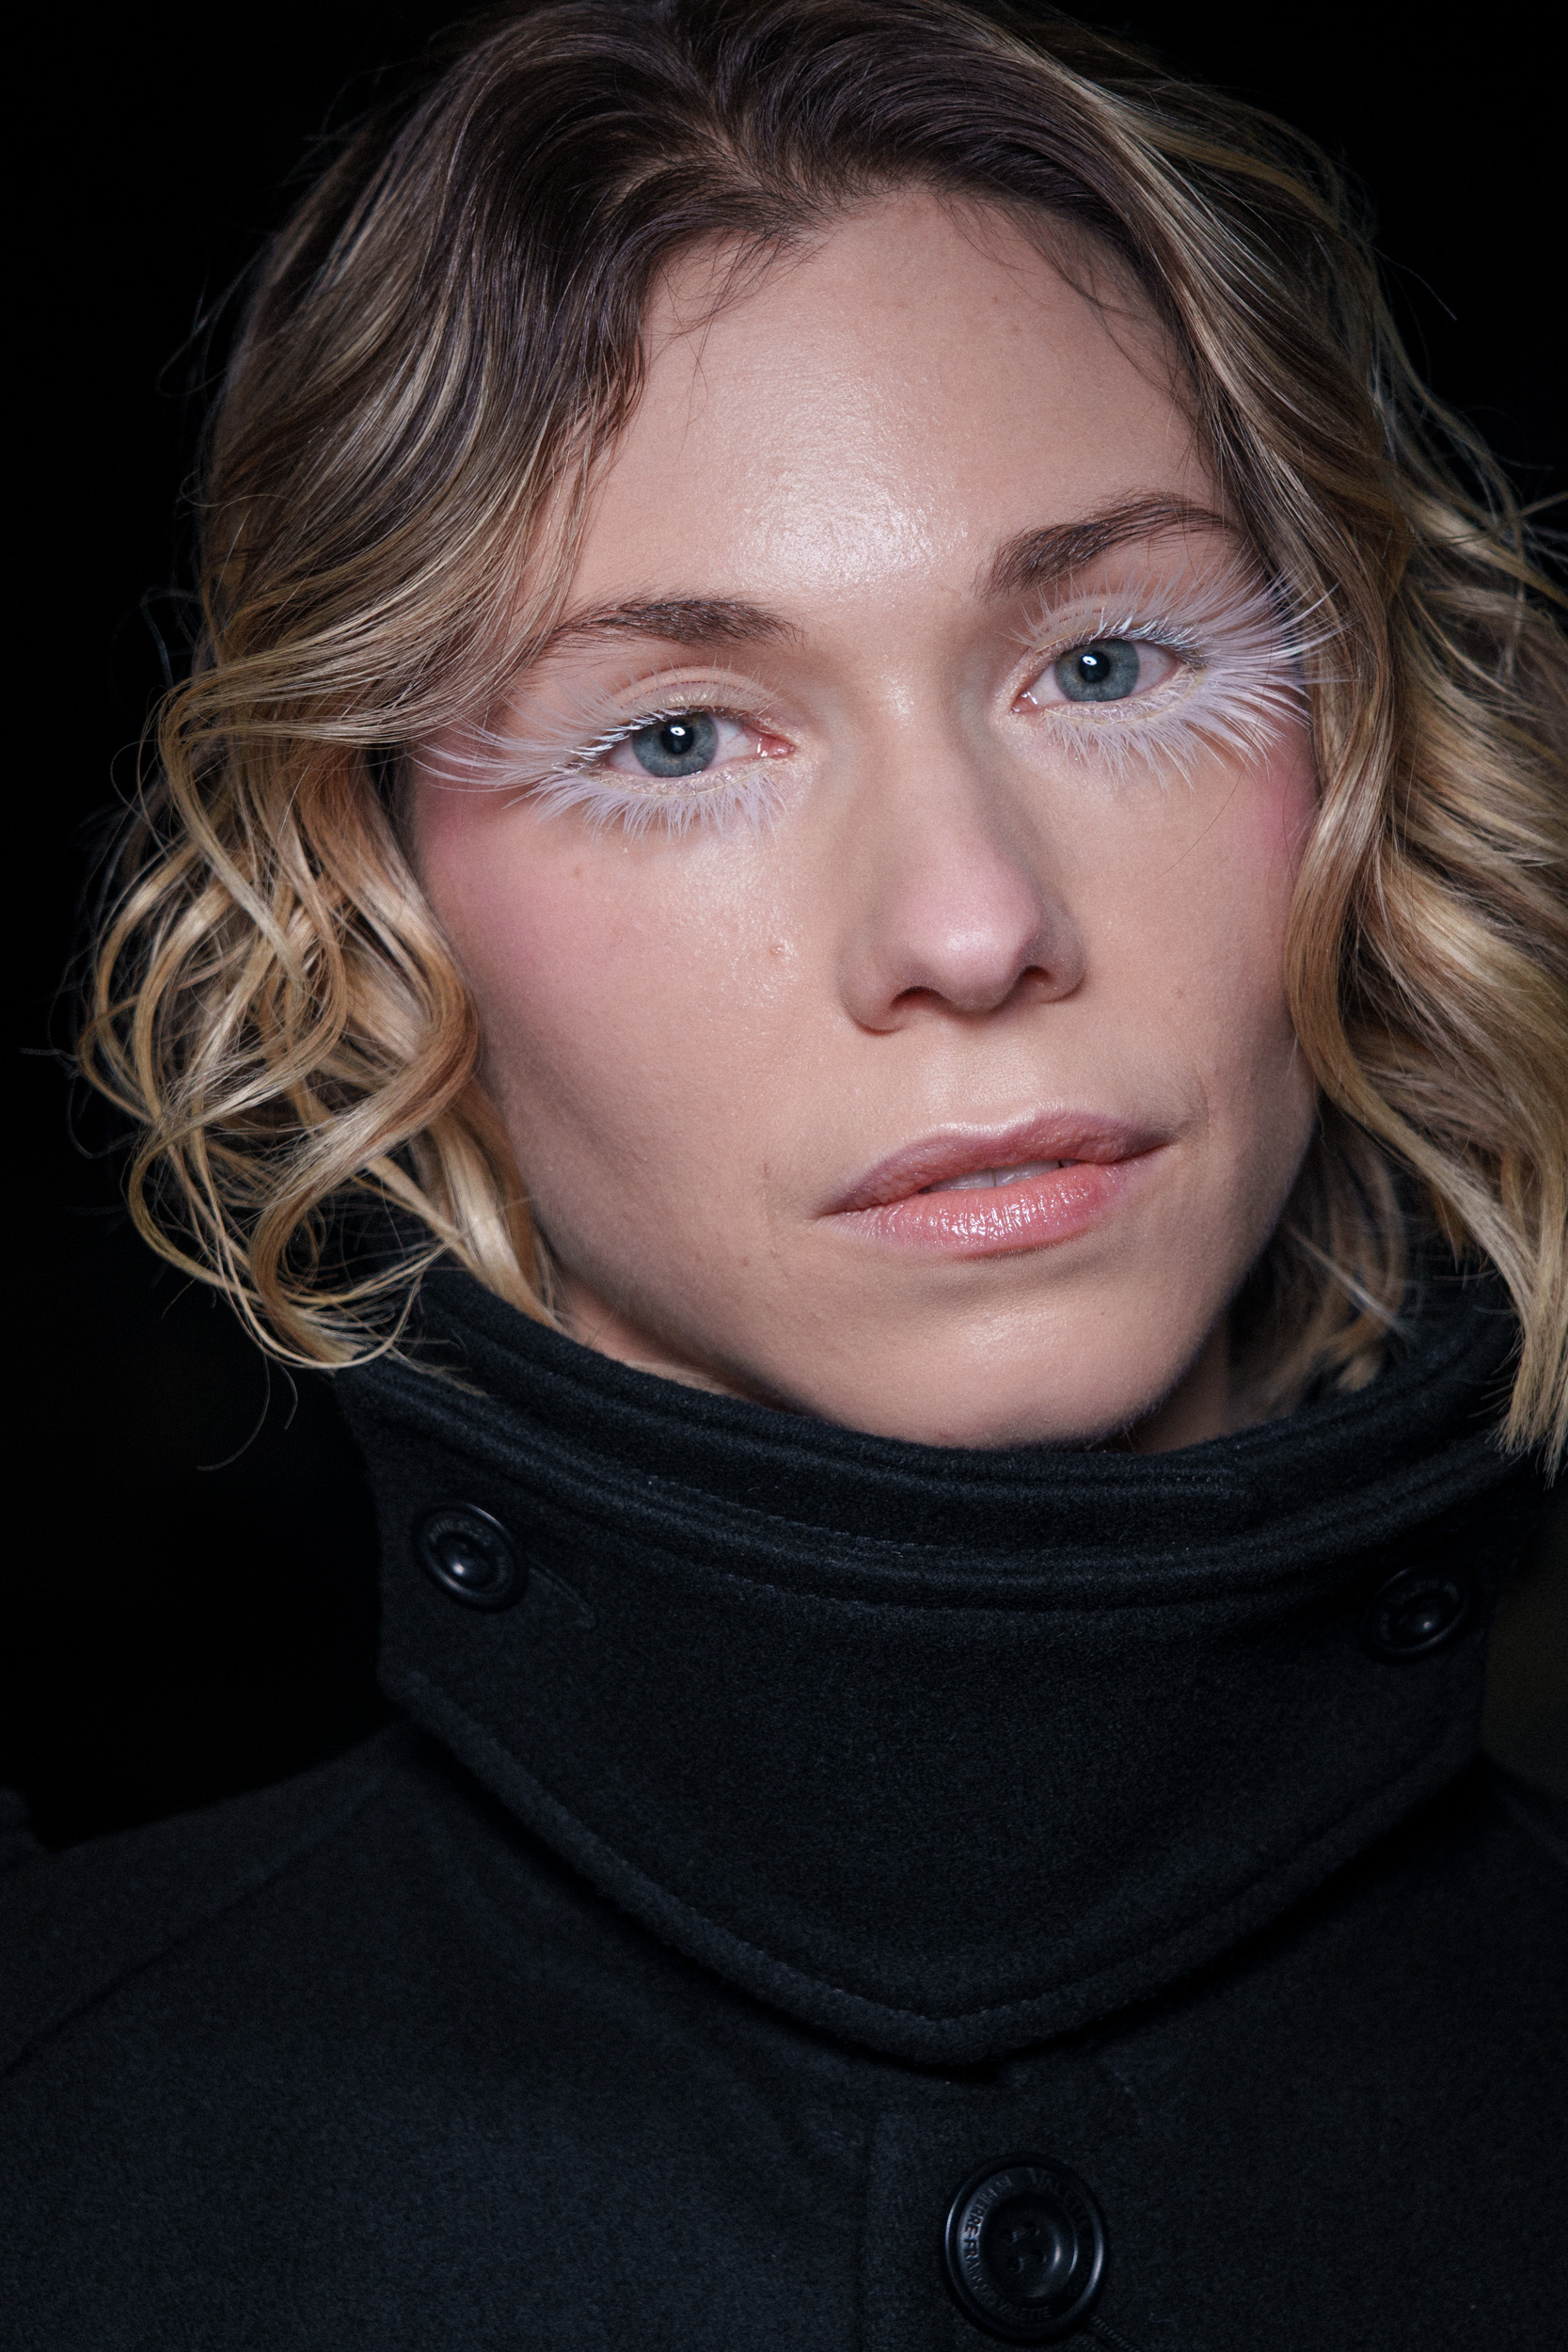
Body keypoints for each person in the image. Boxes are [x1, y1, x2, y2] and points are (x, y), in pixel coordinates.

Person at [5, 3, 1564, 2344]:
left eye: (1108, 665)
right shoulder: (65, 2155)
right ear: (371, 895)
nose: (970, 922)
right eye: (677, 736)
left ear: (1367, 755)